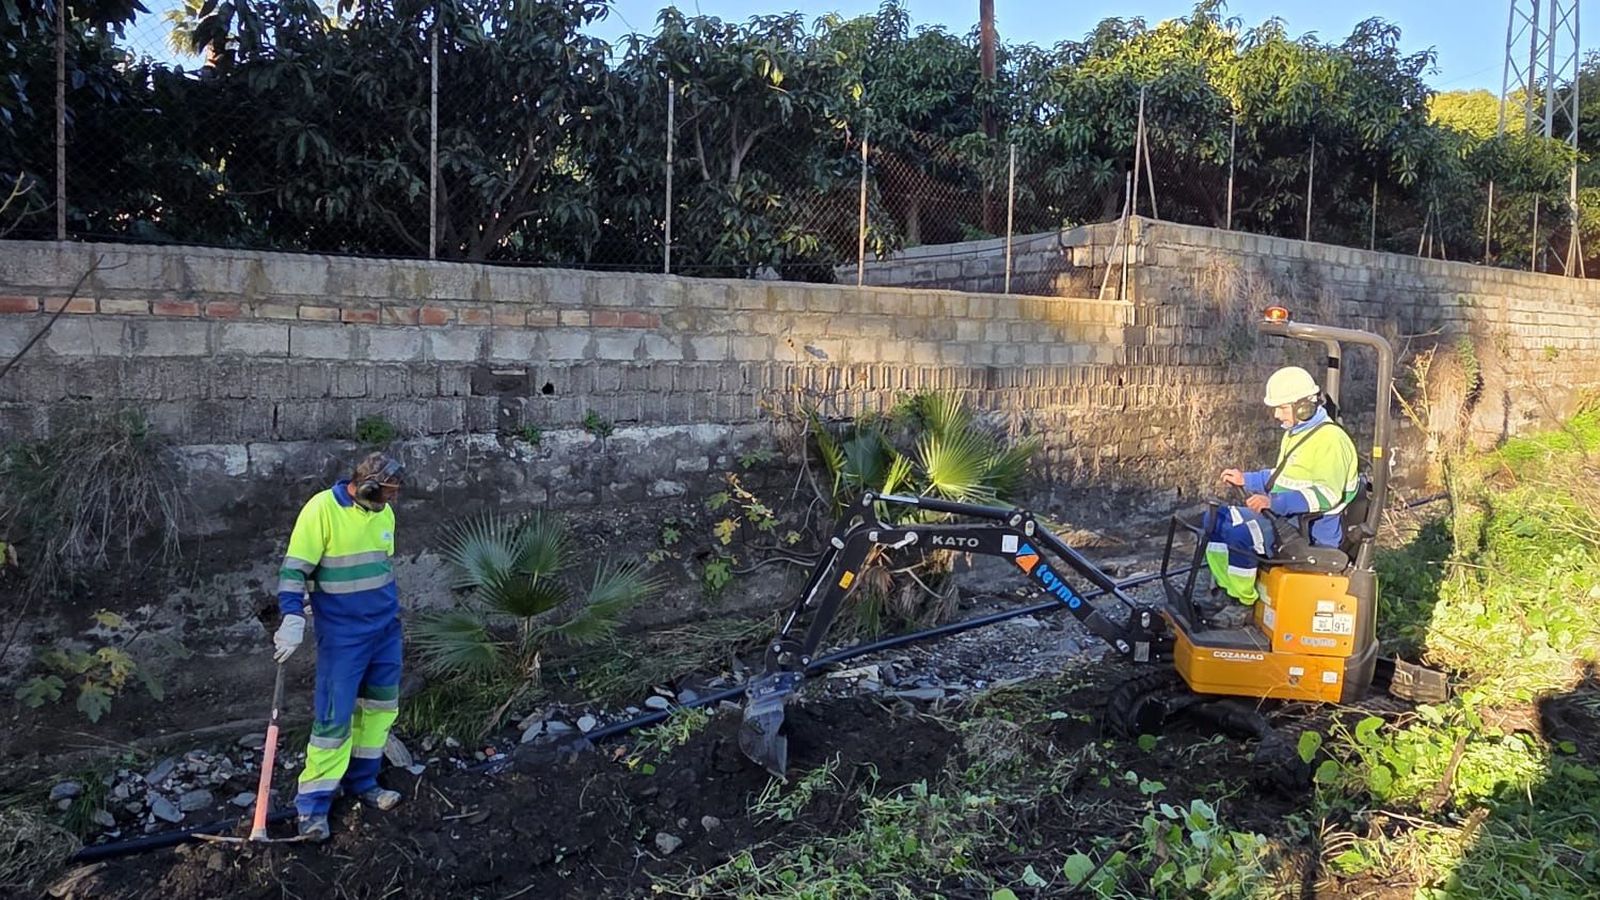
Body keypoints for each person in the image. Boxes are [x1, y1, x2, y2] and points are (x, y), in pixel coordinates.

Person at [271, 451, 407, 842]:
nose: (390, 500)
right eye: (386, 492)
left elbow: (380, 567)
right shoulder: (321, 510)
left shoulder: (384, 514)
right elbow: (294, 569)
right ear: (365, 486)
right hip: (344, 637)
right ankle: (312, 808)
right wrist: (293, 616)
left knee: (380, 710)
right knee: (334, 719)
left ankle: (363, 783)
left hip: (385, 631)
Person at [1205, 366, 1359, 617]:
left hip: (1307, 531)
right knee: (1214, 519)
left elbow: (1326, 495)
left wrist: (1274, 503)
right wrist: (1246, 479)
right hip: (1287, 520)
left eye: (1282, 408)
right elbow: (1282, 477)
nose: (1276, 415)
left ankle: (1242, 603)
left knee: (1241, 532)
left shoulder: (1330, 441)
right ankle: (1226, 590)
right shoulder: (1298, 433)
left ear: (1303, 407)